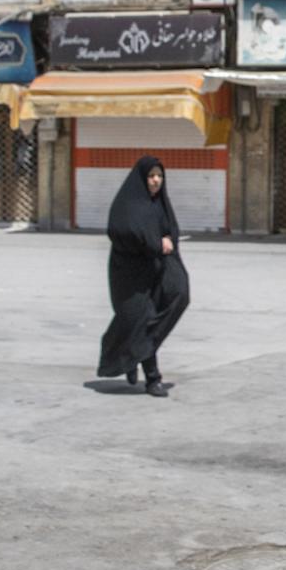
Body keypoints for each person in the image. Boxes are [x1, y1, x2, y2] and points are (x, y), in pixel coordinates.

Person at [96, 155, 189, 398]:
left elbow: (172, 231)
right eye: (151, 176)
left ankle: (133, 354)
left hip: (157, 268)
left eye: (159, 176)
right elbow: (121, 230)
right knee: (141, 318)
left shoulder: (161, 203)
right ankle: (152, 379)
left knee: (180, 294)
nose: (156, 180)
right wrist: (156, 243)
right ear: (142, 178)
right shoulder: (128, 203)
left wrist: (166, 242)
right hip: (130, 274)